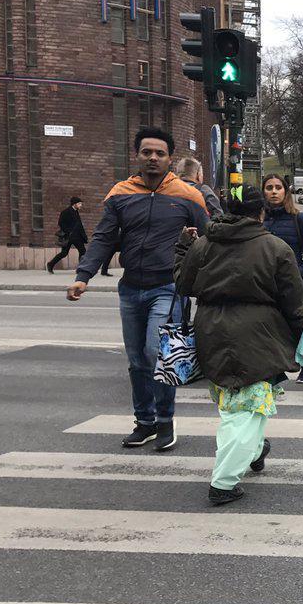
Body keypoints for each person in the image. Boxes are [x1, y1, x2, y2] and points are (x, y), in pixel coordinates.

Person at [67, 126, 209, 451]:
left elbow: (210, 238)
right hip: (130, 289)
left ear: (170, 158)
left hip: (168, 287)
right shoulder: (120, 193)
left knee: (155, 352)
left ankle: (165, 421)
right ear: (137, 155)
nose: (153, 158)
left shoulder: (188, 196)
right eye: (147, 152)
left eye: (160, 153)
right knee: (135, 359)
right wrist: (83, 275)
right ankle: (144, 422)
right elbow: (103, 237)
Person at [174, 186, 303, 506]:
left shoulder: (203, 244)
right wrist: (299, 339)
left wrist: (182, 249)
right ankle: (223, 482)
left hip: (211, 329)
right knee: (247, 407)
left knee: (238, 403)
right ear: (260, 212)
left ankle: (255, 449)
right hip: (258, 333)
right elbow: (293, 303)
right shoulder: (275, 248)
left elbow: (183, 283)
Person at [261, 173, 303, 383]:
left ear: (286, 191)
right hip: (266, 285)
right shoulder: (259, 220)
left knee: (298, 327)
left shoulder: (299, 218)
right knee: (270, 328)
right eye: (269, 187)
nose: (274, 191)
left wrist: (298, 274)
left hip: (295, 286)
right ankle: (276, 367)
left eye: (278, 187)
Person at [46, 197, 88, 273]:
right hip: (69, 237)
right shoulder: (66, 212)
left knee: (82, 251)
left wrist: (83, 235)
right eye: (79, 203)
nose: (81, 205)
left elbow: (79, 225)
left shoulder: (76, 211)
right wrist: (68, 231)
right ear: (74, 204)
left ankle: (80, 269)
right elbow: (61, 223)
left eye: (81, 203)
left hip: (77, 236)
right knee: (64, 253)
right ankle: (50, 264)